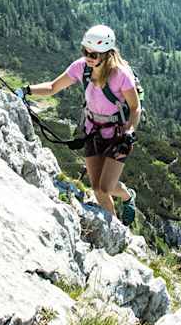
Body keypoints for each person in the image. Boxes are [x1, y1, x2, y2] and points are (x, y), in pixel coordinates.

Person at [22, 24, 140, 225]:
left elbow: (135, 108)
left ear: (107, 54)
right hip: (92, 131)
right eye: (85, 51)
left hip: (118, 135)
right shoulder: (81, 68)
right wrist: (26, 90)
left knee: (105, 188)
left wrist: (130, 132)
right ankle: (115, 226)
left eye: (93, 54)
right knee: (97, 189)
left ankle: (126, 204)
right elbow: (52, 87)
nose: (88, 57)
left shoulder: (121, 75)